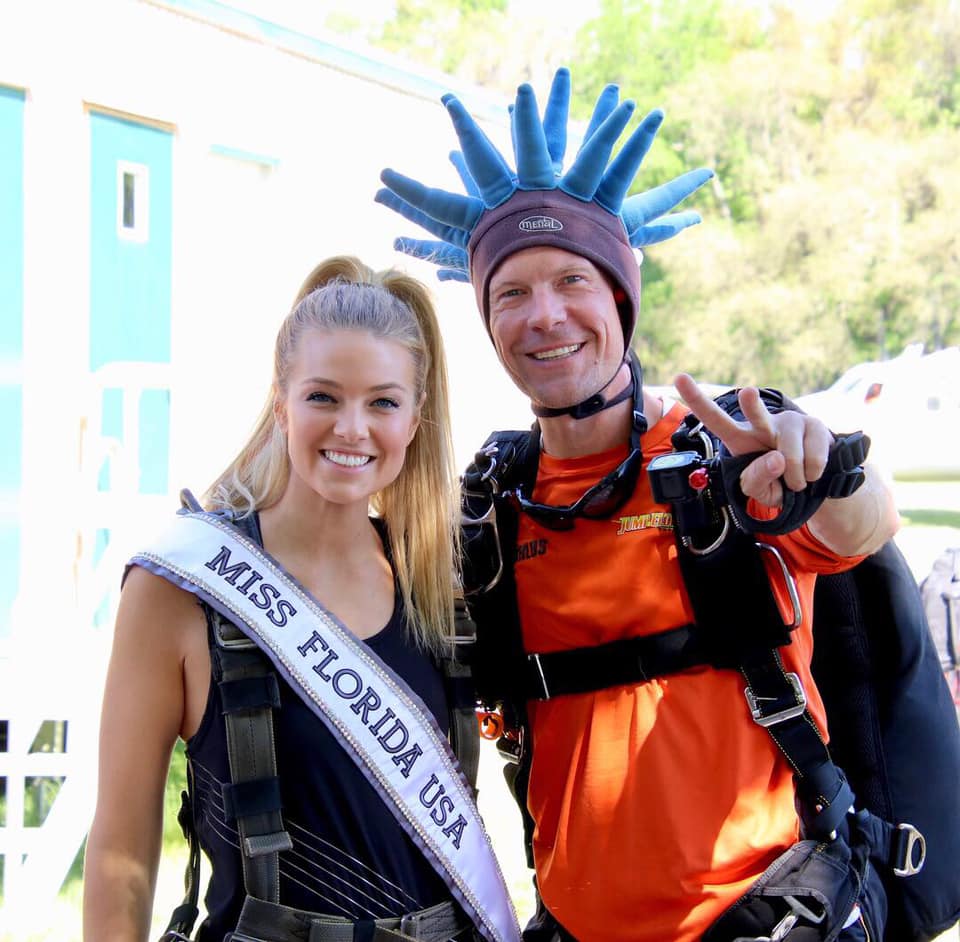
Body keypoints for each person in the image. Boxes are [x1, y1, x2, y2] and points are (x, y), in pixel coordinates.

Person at [375, 70, 902, 941]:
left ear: (620, 296)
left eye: (572, 280)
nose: (544, 315)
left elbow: (861, 525)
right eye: (511, 292)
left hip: (770, 919)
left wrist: (825, 472)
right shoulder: (490, 512)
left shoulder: (723, 450)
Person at [82, 257, 520, 942]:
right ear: (281, 401)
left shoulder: (446, 589)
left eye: (382, 401)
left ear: (414, 420)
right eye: (323, 397)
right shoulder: (179, 587)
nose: (352, 428)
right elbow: (119, 854)